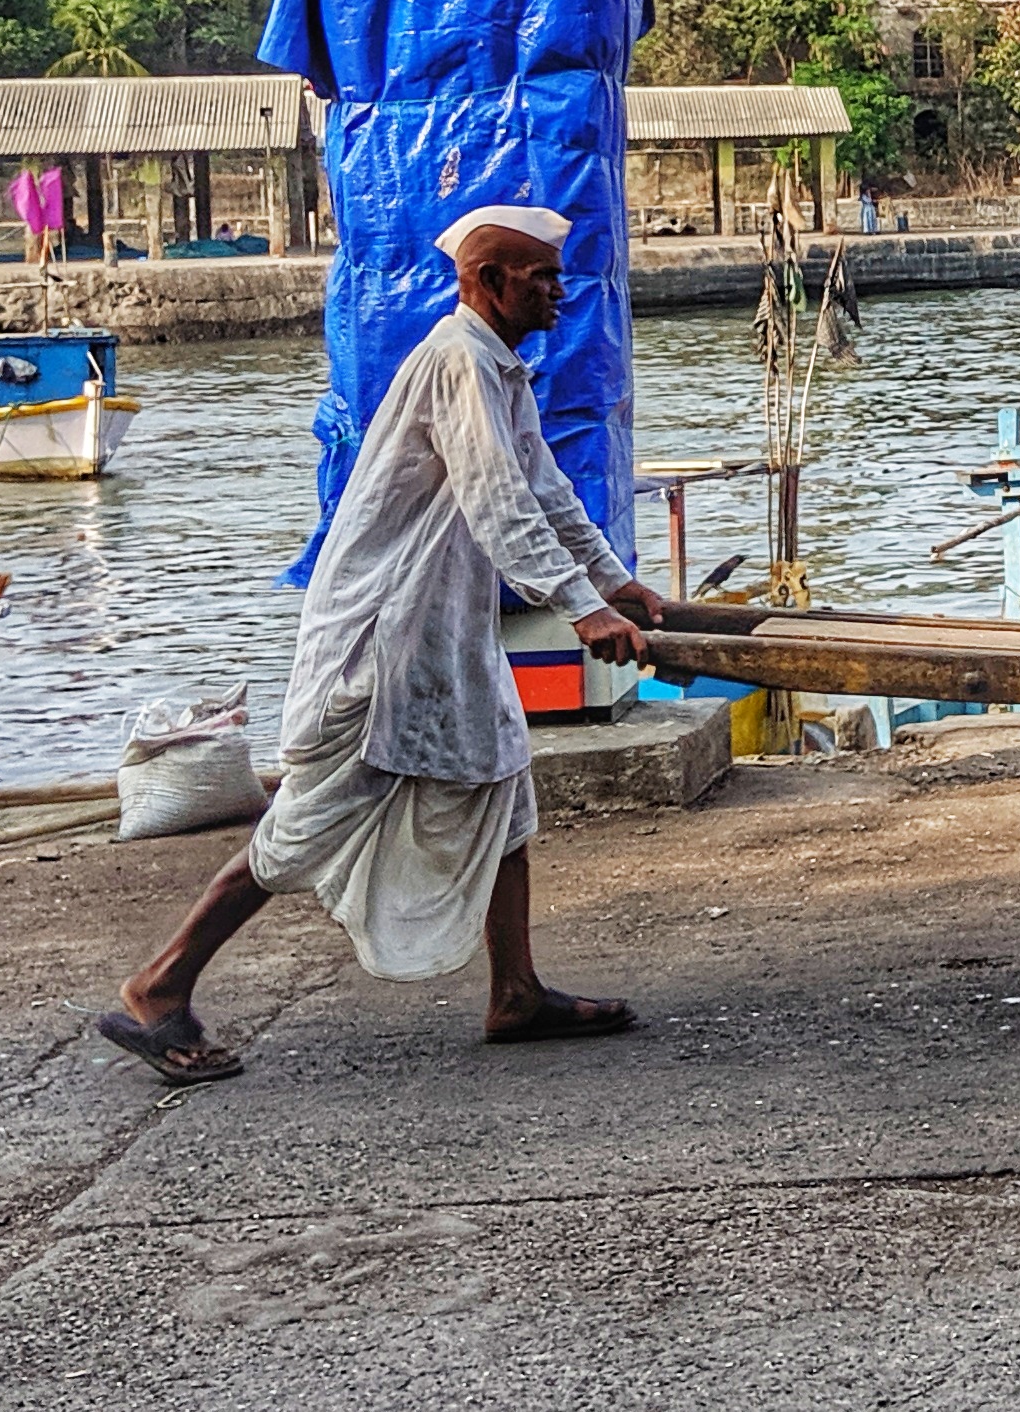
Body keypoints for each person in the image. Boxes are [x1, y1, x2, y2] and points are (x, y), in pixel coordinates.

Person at [97, 203, 663, 1085]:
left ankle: (515, 991)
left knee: (504, 782)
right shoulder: (457, 363)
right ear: (486, 282)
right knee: (305, 823)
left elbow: (544, 488)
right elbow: (496, 502)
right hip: (386, 634)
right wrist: (580, 609)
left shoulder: (498, 367)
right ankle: (159, 984)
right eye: (541, 278)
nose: (559, 292)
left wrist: (612, 579)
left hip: (442, 624)